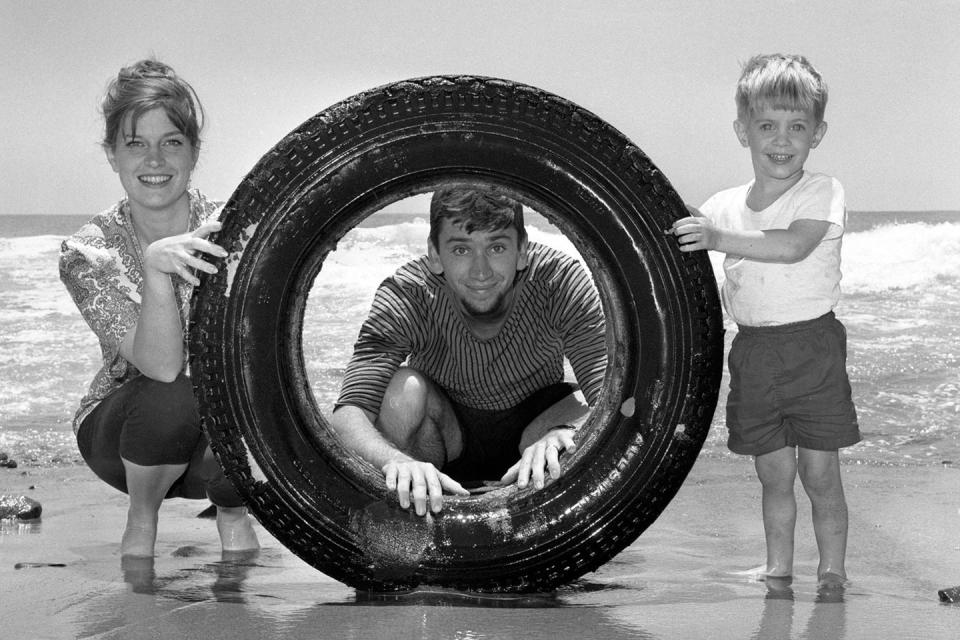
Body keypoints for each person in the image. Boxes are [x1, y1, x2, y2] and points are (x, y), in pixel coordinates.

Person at [671, 53, 860, 586]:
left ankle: (832, 572)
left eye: (797, 127)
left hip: (813, 350)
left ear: (817, 133)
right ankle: (778, 567)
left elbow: (794, 245)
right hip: (753, 352)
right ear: (742, 130)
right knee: (773, 474)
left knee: (820, 473)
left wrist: (716, 239)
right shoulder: (724, 206)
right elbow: (676, 237)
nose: (782, 140)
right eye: (767, 126)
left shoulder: (822, 191)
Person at [59, 59, 259, 559]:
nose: (155, 159)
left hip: (217, 435)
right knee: (174, 392)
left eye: (171, 141)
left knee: (244, 405)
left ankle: (235, 518)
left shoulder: (236, 232)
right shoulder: (87, 252)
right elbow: (163, 366)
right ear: (112, 155)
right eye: (135, 144)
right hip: (123, 434)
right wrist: (154, 269)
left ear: (194, 151)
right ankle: (141, 522)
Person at [330, 185, 607, 516]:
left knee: (580, 407)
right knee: (401, 390)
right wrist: (396, 461)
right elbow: (350, 413)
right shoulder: (408, 292)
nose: (481, 272)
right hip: (447, 439)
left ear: (522, 250)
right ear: (435, 253)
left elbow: (611, 392)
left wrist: (565, 434)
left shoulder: (559, 281)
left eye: (497, 247)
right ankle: (413, 510)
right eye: (461, 250)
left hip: (538, 424)